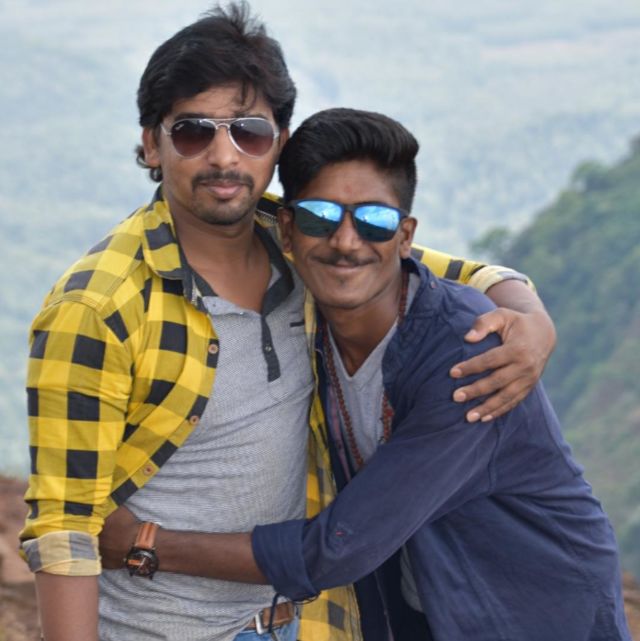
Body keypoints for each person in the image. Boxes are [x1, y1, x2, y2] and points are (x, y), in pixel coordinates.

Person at [21, 5, 556, 641]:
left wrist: (531, 318)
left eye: (248, 132)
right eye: (193, 132)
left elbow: (453, 269)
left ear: (278, 143)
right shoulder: (99, 308)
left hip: (300, 623)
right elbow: (65, 528)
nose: (224, 156)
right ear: (151, 144)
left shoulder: (305, 241)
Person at [100, 108, 631, 641]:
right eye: (319, 217)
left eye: (374, 220)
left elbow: (338, 548)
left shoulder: (469, 356)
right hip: (432, 610)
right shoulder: (309, 315)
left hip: (539, 615)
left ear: (404, 236)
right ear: (288, 230)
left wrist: (145, 543)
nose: (347, 241)